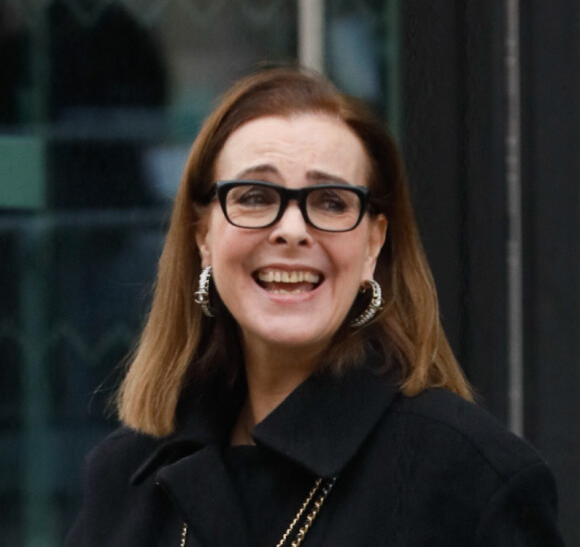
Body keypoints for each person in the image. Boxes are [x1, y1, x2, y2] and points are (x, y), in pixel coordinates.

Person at [66, 67, 565, 546]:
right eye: (256, 196)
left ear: (373, 244)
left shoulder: (472, 477)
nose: (292, 229)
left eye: (330, 202)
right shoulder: (125, 478)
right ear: (203, 238)